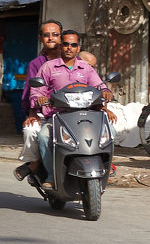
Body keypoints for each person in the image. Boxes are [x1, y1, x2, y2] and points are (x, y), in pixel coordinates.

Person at [30, 30, 115, 189]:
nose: (69, 48)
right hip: (58, 117)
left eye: (73, 45)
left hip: (86, 115)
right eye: (66, 44)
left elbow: (100, 86)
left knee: (110, 133)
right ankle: (51, 174)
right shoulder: (48, 67)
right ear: (60, 46)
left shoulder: (85, 68)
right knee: (43, 136)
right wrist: (39, 99)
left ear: (78, 48)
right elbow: (37, 91)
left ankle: (106, 170)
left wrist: (106, 92)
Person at [14, 19, 62, 182]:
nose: (51, 38)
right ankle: (35, 163)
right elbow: (31, 90)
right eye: (46, 35)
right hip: (45, 111)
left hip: (70, 111)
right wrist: (32, 112)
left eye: (55, 35)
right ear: (41, 38)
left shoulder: (72, 60)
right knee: (30, 130)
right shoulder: (37, 64)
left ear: (61, 37)